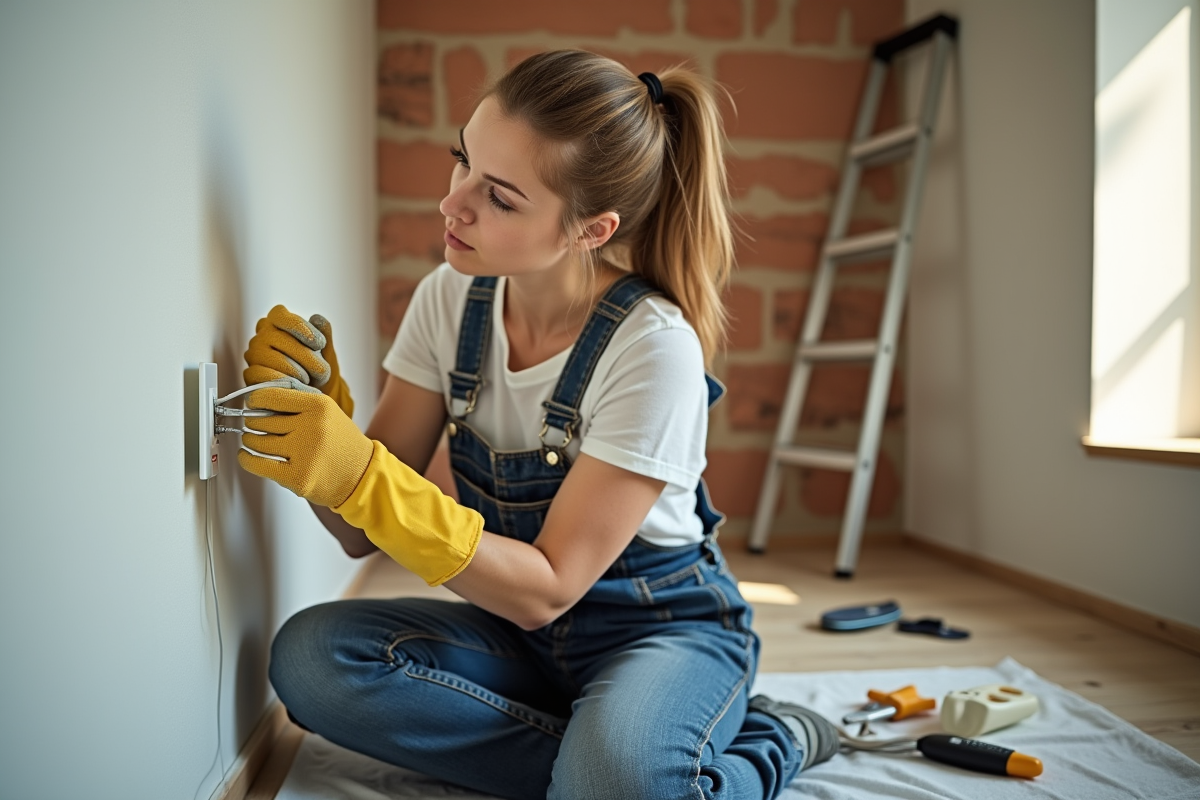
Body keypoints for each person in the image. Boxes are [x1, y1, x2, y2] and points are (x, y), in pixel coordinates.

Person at [237, 50, 838, 800]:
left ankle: (773, 739)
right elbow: (360, 531)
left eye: (499, 197)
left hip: (658, 634)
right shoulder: (446, 301)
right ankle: (603, 770)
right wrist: (330, 434)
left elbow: (549, 586)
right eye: (462, 160)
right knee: (313, 661)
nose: (452, 205)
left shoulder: (655, 348)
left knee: (617, 781)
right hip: (514, 634)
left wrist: (361, 473)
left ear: (592, 229)